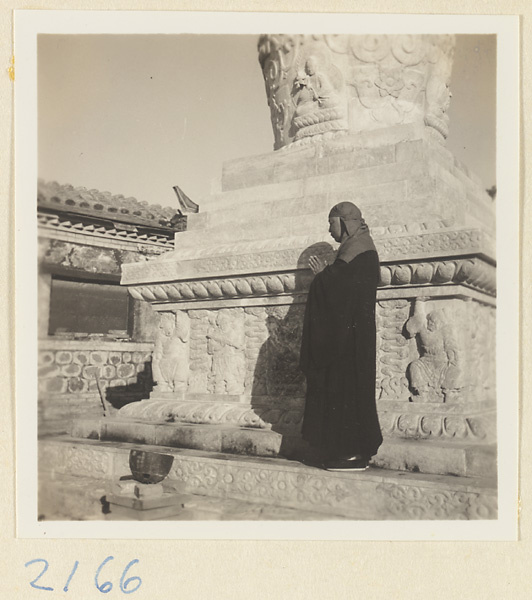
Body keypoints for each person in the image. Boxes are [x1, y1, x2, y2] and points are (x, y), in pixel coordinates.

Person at [300, 201, 382, 471]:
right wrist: (327, 277)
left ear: (344, 223)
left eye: (331, 222)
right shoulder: (355, 250)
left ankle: (350, 453)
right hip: (350, 340)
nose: (328, 228)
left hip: (349, 344)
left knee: (347, 393)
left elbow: (340, 292)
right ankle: (348, 451)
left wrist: (322, 277)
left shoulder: (357, 253)